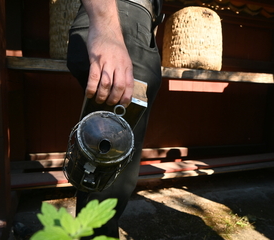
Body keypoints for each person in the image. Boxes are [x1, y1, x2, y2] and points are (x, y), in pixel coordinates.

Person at [66, 0, 163, 238]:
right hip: (121, 19)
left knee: (102, 165)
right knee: (111, 162)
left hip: (131, 25)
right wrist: (107, 32)